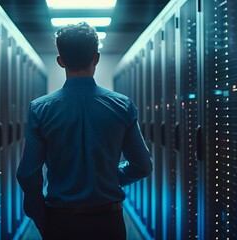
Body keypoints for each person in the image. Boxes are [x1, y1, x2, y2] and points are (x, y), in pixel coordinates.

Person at [16, 22, 153, 239]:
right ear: (96, 58)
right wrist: (109, 175)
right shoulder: (121, 105)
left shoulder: (40, 109)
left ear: (60, 62)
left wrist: (41, 217)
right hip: (109, 222)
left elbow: (27, 174)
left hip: (60, 221)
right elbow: (143, 166)